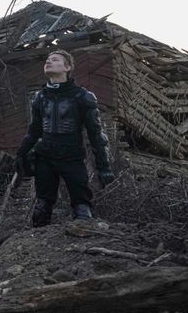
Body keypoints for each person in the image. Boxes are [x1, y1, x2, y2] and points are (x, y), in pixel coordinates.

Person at [16, 49, 115, 226]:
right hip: (45, 156)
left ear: (67, 67)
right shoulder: (40, 97)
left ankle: (83, 246)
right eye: (47, 59)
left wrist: (104, 166)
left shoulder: (83, 97)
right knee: (41, 207)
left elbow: (96, 134)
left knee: (82, 207)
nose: (48, 62)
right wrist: (21, 154)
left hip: (72, 156)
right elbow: (33, 131)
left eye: (55, 60)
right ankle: (38, 249)